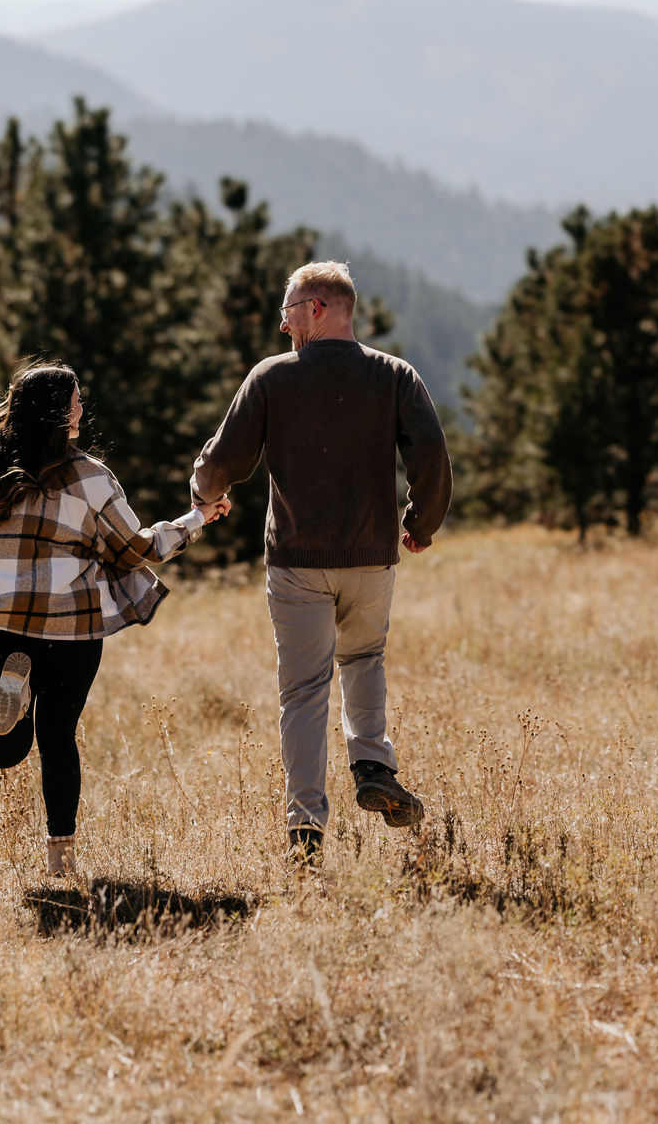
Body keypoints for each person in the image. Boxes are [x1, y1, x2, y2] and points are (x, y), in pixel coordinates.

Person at [0, 363, 224, 878]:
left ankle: (14, 686)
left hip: (0, 623)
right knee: (58, 736)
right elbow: (135, 550)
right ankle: (60, 860)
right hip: (72, 628)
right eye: (77, 401)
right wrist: (196, 520)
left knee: (2, 751)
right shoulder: (93, 479)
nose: (82, 409)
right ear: (60, 414)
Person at [189, 260, 451, 865]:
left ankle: (306, 828)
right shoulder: (393, 376)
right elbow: (432, 451)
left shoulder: (272, 379)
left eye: (288, 315)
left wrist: (205, 496)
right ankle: (371, 764)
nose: (285, 329)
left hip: (296, 562)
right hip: (370, 557)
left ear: (316, 309)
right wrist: (420, 524)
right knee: (364, 658)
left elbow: (225, 456)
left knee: (304, 691)